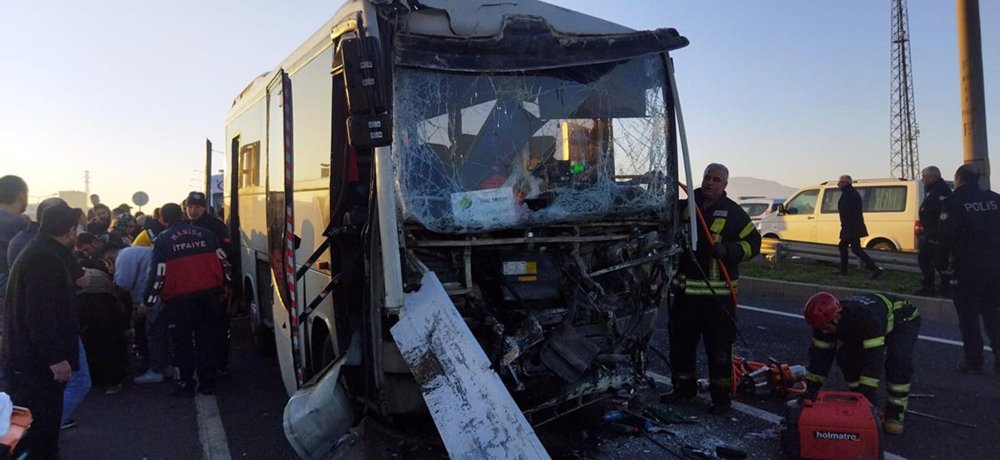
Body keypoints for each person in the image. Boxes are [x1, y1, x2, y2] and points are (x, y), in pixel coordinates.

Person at [661, 163, 761, 415]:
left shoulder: (734, 213)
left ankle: (721, 399)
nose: (710, 182)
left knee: (719, 350)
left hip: (718, 299)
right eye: (708, 177)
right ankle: (683, 389)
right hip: (685, 296)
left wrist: (730, 251)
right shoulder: (685, 207)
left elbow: (753, 243)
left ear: (725, 185)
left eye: (717, 180)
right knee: (681, 346)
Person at [1, 204, 82, 457]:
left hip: (27, 359)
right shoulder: (44, 258)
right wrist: (56, 357)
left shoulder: (41, 250)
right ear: (70, 231)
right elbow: (39, 314)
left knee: (27, 425)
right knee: (39, 429)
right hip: (36, 364)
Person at [802, 291, 920, 435]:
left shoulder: (867, 319)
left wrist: (867, 399)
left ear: (837, 317)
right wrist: (810, 392)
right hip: (864, 325)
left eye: (827, 328)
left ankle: (895, 414)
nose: (824, 333)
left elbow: (873, 362)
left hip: (903, 320)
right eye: (820, 329)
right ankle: (860, 400)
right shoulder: (823, 324)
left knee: (898, 361)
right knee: (847, 357)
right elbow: (819, 360)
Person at [142, 203, 226, 396]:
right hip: (209, 296)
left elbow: (158, 273)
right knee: (207, 340)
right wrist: (223, 289)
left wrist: (148, 301)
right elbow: (223, 262)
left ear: (162, 219)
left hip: (180, 301)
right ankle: (208, 384)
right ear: (181, 214)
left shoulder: (163, 239)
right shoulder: (206, 233)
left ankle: (185, 384)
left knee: (182, 344)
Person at [936, 164, 1000, 373]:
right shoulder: (995, 199)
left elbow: (945, 237)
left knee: (968, 316)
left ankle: (974, 359)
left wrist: (942, 264)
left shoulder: (954, 202)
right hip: (995, 266)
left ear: (959, 179)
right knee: (993, 314)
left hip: (967, 267)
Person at [185, 191, 234, 375]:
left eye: (197, 207)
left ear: (204, 208)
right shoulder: (184, 225)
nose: (193, 210)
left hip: (215, 286)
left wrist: (227, 284)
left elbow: (228, 254)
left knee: (218, 327)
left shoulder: (215, 226)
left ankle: (220, 363)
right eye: (190, 207)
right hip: (193, 285)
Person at [115, 233, 168, 384]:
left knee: (154, 333)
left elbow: (124, 282)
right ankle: (166, 365)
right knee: (164, 333)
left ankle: (156, 370)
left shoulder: (124, 255)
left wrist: (114, 277)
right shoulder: (140, 252)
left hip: (151, 298)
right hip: (162, 295)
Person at [835, 175, 882, 279]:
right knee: (849, 248)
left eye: (840, 182)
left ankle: (873, 269)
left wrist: (846, 226)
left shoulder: (849, 194)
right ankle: (844, 270)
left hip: (851, 227)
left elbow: (848, 212)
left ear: (845, 183)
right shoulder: (850, 193)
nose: (838, 184)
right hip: (852, 227)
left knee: (852, 248)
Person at [916, 166, 952, 296]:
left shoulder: (941, 193)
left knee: (929, 260)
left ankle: (932, 288)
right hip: (932, 232)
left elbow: (937, 213)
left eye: (924, 177)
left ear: (932, 177)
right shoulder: (934, 190)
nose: (923, 180)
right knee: (937, 261)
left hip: (935, 233)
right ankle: (942, 287)